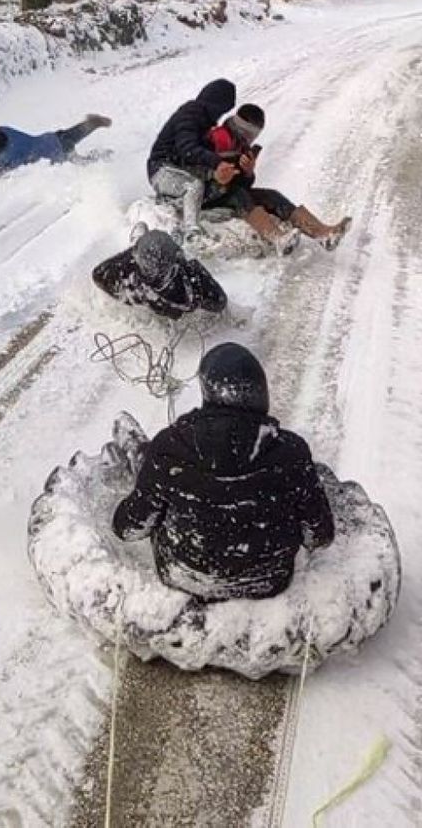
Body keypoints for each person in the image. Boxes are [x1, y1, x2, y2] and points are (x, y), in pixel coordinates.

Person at [112, 342, 335, 601]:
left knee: (154, 469)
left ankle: (135, 449)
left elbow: (129, 529)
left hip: (184, 577)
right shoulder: (293, 452)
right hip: (268, 582)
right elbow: (319, 537)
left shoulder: (169, 447)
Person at [204, 104, 352, 252]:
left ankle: (324, 234)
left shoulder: (240, 144)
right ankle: (276, 238)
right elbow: (203, 170)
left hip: (227, 189)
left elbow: (241, 183)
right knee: (240, 195)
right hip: (207, 192)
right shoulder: (218, 137)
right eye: (249, 133)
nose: (251, 138)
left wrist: (247, 172)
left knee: (271, 196)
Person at [146, 79, 237, 232]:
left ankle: (178, 210)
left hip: (178, 168)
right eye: (222, 110)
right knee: (193, 186)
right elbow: (187, 148)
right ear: (215, 104)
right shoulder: (190, 113)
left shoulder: (204, 121)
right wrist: (216, 162)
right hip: (161, 169)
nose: (220, 115)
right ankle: (192, 232)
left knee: (212, 183)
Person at [92, 227, 227, 321]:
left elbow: (99, 275)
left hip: (153, 297)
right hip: (164, 296)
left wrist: (131, 301)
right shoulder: (193, 277)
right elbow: (220, 303)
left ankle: (145, 243)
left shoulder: (129, 268)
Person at [0, 113, 112, 172]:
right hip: (51, 139)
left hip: (57, 153)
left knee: (83, 164)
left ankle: (102, 157)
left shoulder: (7, 157)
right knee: (73, 134)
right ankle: (92, 124)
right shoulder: (4, 130)